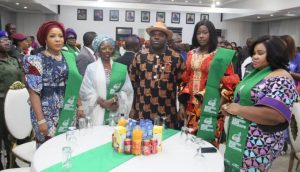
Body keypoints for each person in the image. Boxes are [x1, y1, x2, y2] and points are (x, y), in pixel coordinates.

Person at [221, 35, 298, 171]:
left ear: (275, 53)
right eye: (254, 53)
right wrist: (230, 108)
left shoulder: (281, 77)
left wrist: (239, 110)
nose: (254, 57)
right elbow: (246, 101)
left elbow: (275, 115)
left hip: (258, 143)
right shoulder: (256, 73)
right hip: (240, 136)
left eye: (260, 53)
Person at [22, 21, 83, 147]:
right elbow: (33, 92)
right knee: (48, 149)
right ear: (45, 39)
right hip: (46, 112)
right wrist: (41, 120)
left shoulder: (69, 57)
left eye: (60, 36)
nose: (58, 40)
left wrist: (80, 106)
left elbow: (74, 83)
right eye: (52, 36)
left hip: (68, 108)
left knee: (67, 145)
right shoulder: (35, 60)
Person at [179, 20, 239, 146]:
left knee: (208, 143)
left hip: (211, 105)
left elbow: (229, 83)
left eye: (205, 32)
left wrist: (217, 108)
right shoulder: (191, 53)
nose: (201, 36)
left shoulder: (220, 55)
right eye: (198, 33)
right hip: (191, 105)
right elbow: (185, 79)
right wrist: (182, 104)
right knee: (191, 141)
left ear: (211, 34)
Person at [129, 22, 185, 129]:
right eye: (153, 35)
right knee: (143, 141)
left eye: (161, 35)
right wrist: (132, 108)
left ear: (166, 38)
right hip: (142, 110)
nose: (156, 37)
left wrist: (181, 107)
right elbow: (132, 84)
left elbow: (182, 85)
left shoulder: (176, 57)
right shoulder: (139, 56)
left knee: (167, 142)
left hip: (168, 112)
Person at [80, 34, 133, 126]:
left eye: (110, 48)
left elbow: (128, 91)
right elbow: (85, 90)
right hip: (97, 110)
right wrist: (103, 103)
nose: (107, 51)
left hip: (116, 110)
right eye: (104, 48)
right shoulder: (91, 68)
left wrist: (114, 100)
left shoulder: (121, 68)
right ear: (98, 50)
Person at [0, 30, 23, 170]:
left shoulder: (13, 60)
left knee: (12, 134)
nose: (7, 42)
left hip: (14, 103)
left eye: (7, 40)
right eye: (2, 40)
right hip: (1, 102)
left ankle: (11, 162)